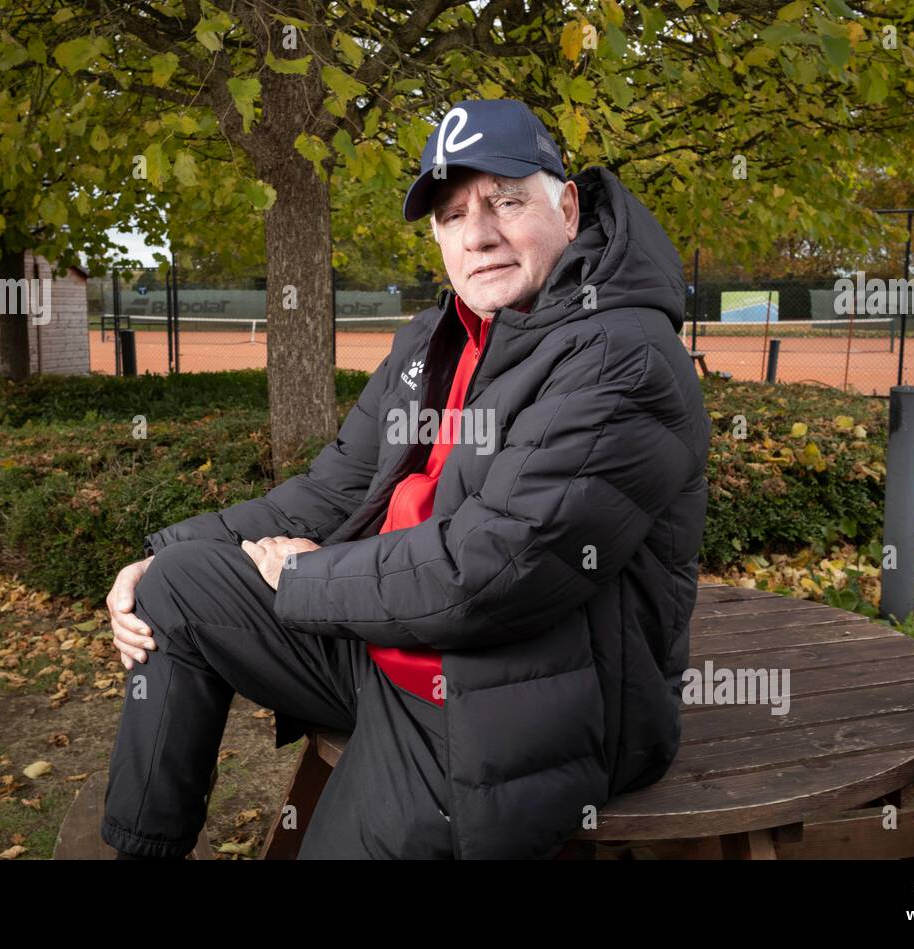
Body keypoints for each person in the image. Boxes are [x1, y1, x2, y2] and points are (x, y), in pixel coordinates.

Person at [101, 98, 710, 860]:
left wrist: (308, 577)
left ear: (567, 204)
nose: (479, 235)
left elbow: (490, 569)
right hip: (385, 644)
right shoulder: (438, 335)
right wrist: (161, 551)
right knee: (176, 587)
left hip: (514, 700)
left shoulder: (621, 355)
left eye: (505, 201)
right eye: (452, 215)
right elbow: (333, 491)